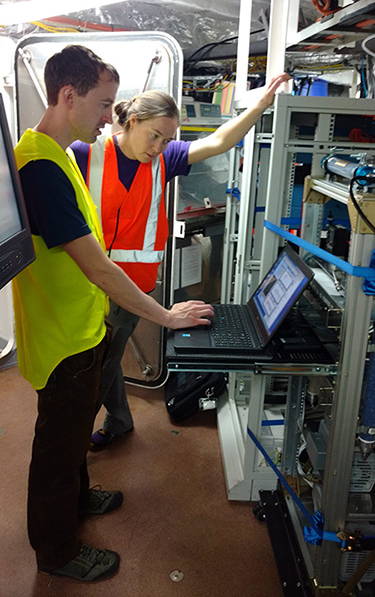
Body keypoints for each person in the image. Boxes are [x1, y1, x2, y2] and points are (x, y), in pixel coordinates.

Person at [12, 44, 214, 583]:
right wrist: (166, 318)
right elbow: (99, 267)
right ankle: (56, 552)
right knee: (57, 447)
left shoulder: (58, 152)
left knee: (76, 427)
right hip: (63, 333)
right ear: (67, 94)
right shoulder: (41, 167)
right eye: (103, 104)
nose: (110, 117)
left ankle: (78, 501)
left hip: (80, 323)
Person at [70, 71, 291, 451]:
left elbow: (221, 141)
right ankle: (120, 421)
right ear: (131, 121)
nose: (159, 146)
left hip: (130, 289)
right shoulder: (83, 153)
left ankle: (84, 435)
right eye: (154, 135)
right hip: (83, 284)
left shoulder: (166, 159)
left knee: (103, 365)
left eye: (167, 139)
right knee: (101, 364)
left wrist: (260, 106)